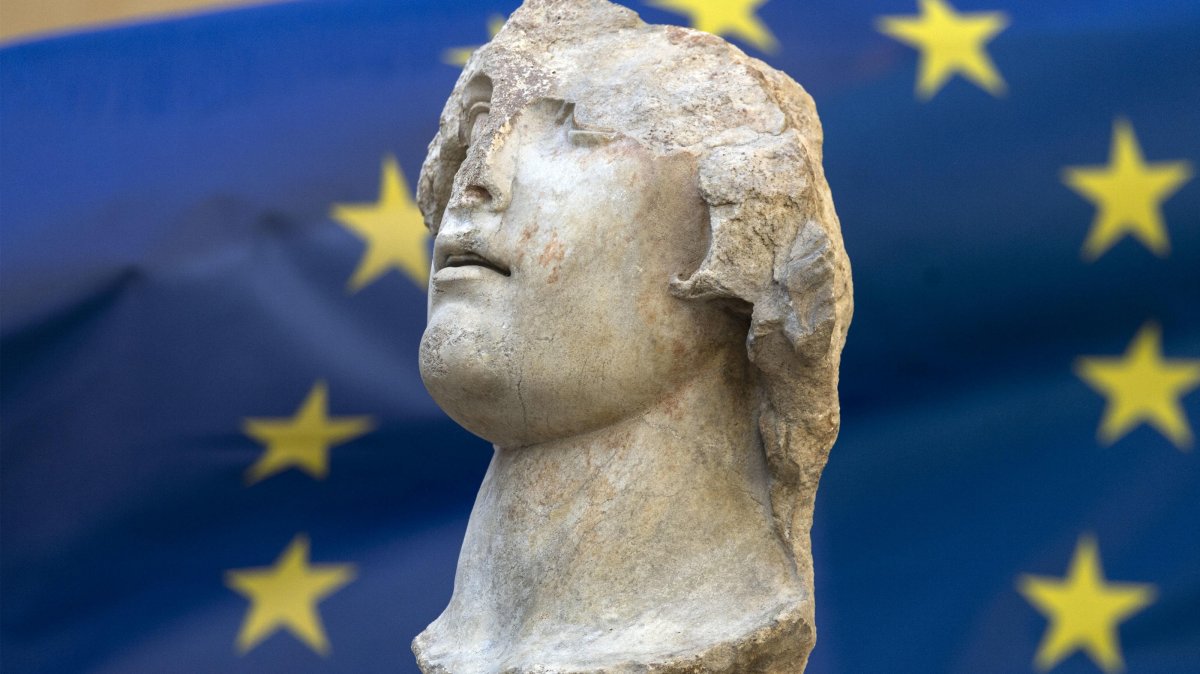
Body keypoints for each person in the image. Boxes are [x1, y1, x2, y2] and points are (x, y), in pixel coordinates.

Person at [414, 1, 852, 671]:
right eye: (475, 135)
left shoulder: (715, 629)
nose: (477, 179)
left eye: (576, 133)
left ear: (727, 235)